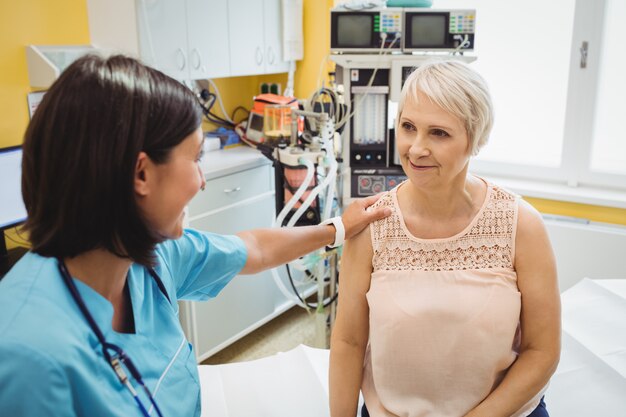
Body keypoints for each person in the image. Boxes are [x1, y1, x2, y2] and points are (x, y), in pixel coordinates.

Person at [0, 54, 390, 417]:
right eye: (196, 158)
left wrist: (337, 228)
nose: (202, 181)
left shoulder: (149, 256)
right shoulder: (29, 355)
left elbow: (253, 249)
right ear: (141, 174)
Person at [329, 60, 561, 417]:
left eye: (439, 133)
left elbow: (542, 351)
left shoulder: (521, 226)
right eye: (408, 127)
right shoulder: (372, 226)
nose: (416, 148)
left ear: (476, 139)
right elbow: (348, 342)